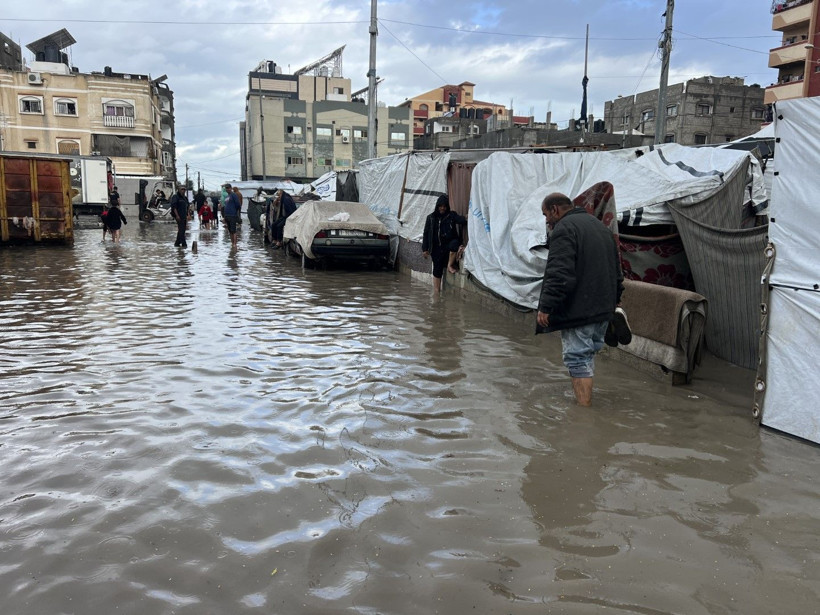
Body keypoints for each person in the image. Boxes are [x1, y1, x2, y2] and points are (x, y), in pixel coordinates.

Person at [535, 192, 625, 406]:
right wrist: (615, 301)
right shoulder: (601, 228)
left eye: (545, 214)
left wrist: (546, 306)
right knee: (588, 356)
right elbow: (617, 270)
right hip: (603, 308)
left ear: (555, 209)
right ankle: (585, 403)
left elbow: (559, 272)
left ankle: (584, 416)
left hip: (580, 310)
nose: (546, 220)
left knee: (577, 358)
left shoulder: (564, 230)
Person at [421, 195, 466, 293]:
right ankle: (436, 292)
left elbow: (462, 220)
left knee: (454, 243)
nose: (442, 208)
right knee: (437, 270)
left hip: (448, 247)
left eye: (444, 206)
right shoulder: (431, 218)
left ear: (447, 207)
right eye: (440, 206)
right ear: (437, 206)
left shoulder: (451, 215)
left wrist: (467, 217)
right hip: (436, 248)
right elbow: (426, 233)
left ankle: (450, 265)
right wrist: (425, 249)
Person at [223, 183, 241, 249]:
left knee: (233, 230)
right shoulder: (227, 197)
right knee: (230, 231)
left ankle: (235, 245)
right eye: (226, 188)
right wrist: (224, 216)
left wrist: (235, 212)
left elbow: (238, 205)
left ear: (231, 188)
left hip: (233, 215)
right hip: (227, 215)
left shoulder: (234, 195)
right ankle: (232, 244)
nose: (227, 189)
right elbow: (225, 206)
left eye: (228, 188)